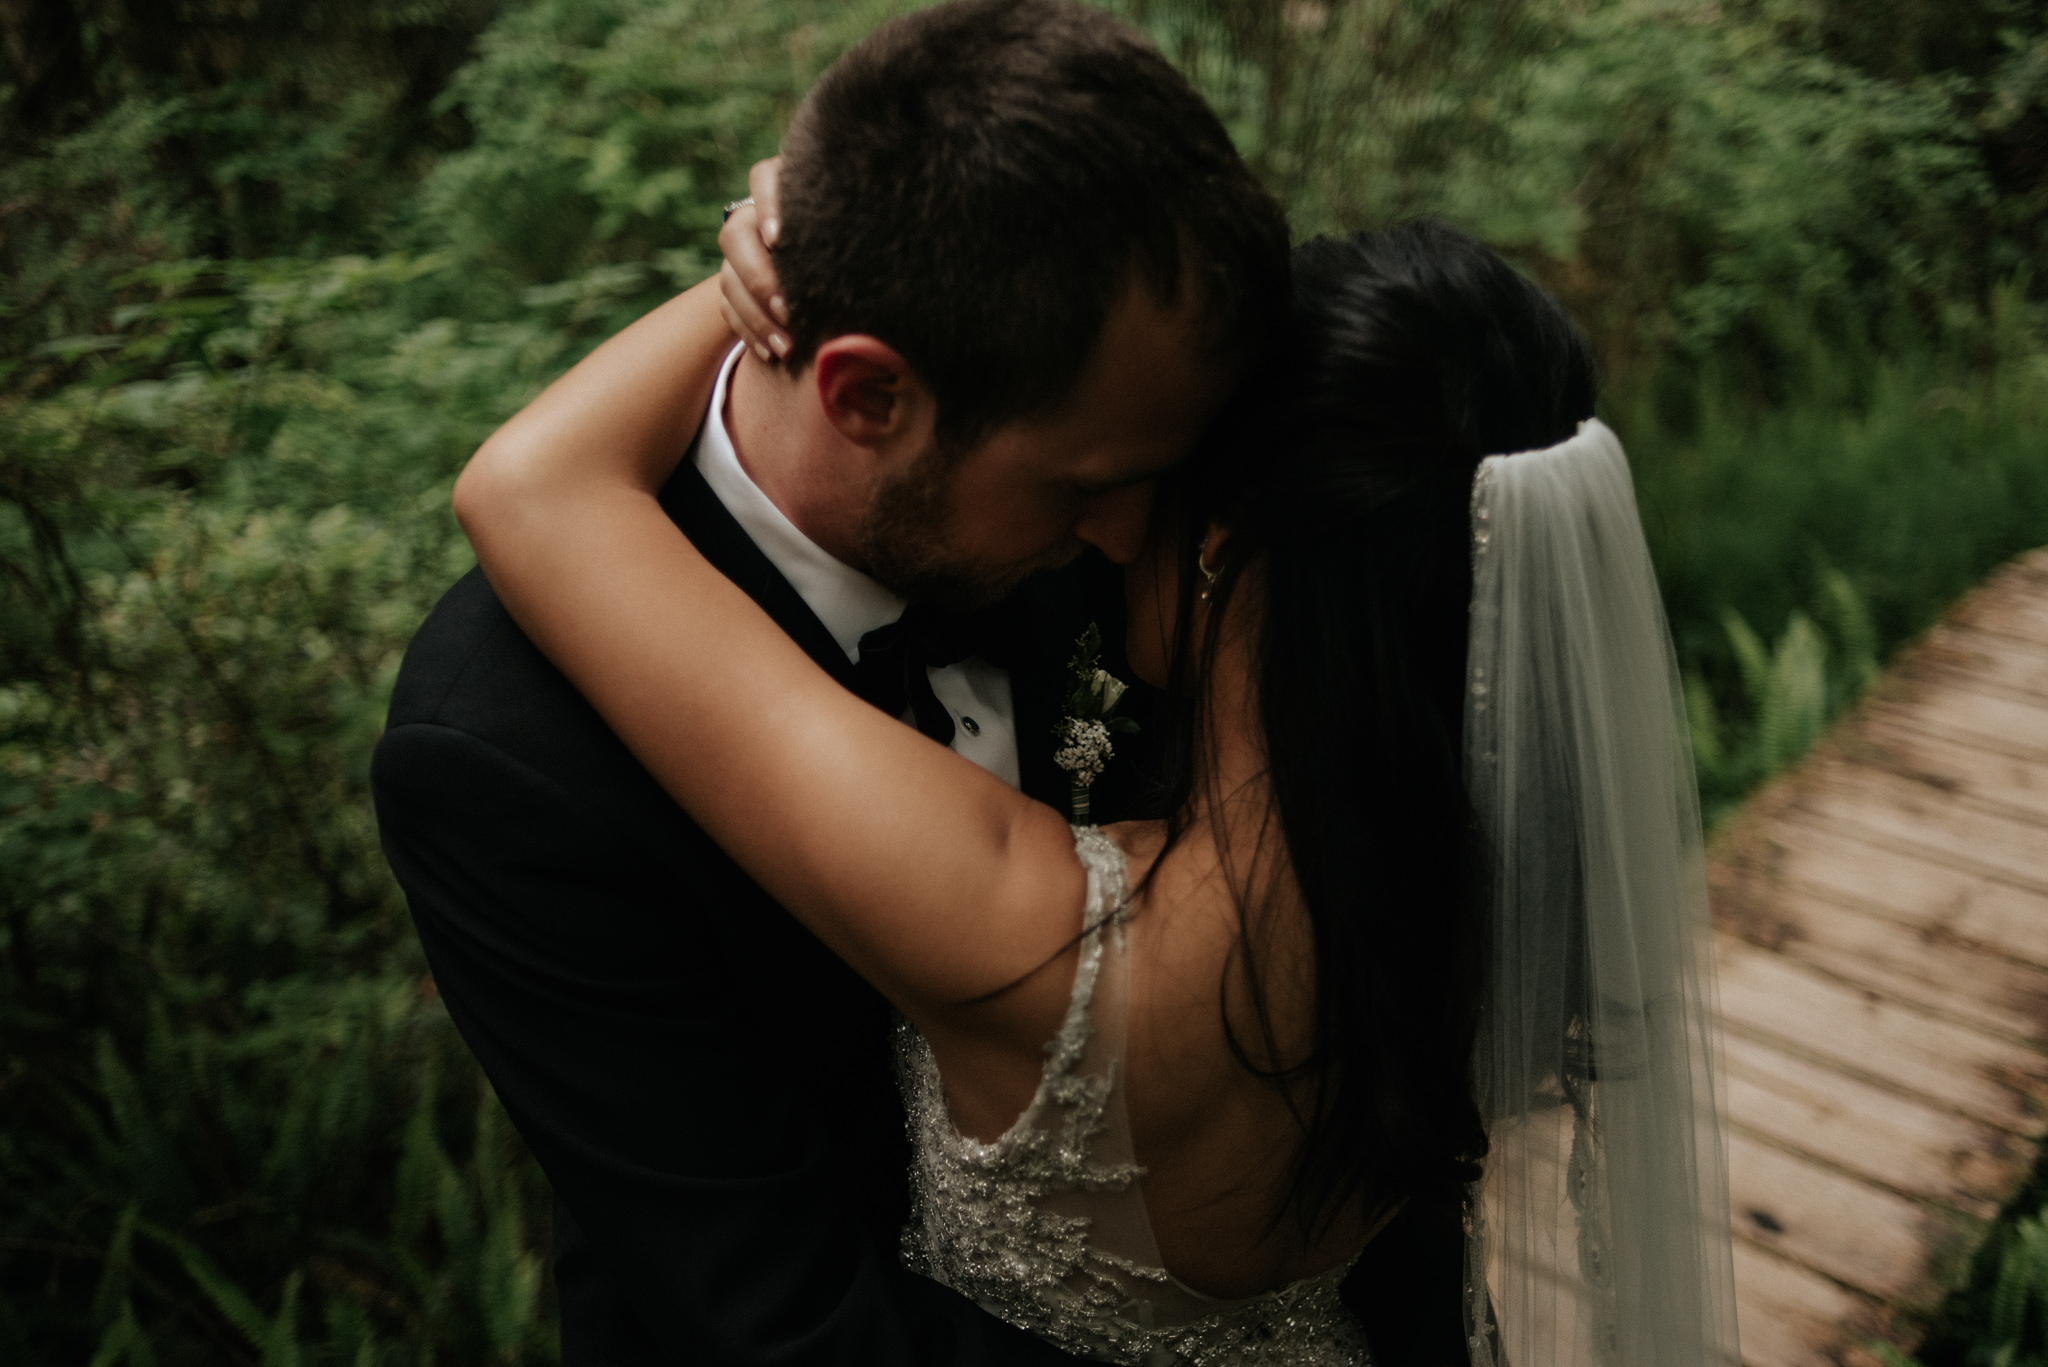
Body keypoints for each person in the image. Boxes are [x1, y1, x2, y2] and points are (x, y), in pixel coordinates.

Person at [452, 198, 1744, 1366]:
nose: (1111, 524)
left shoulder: (1037, 937)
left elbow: (535, 490)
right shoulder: (1482, 894)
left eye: (1154, 483)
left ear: (1225, 546)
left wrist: (835, 238)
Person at [373, 3, 1466, 1363]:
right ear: (867, 396)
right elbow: (778, 1316)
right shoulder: (506, 744)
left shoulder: (1126, 502)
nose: (1139, 536)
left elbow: (1356, 1004)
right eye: (1089, 490)